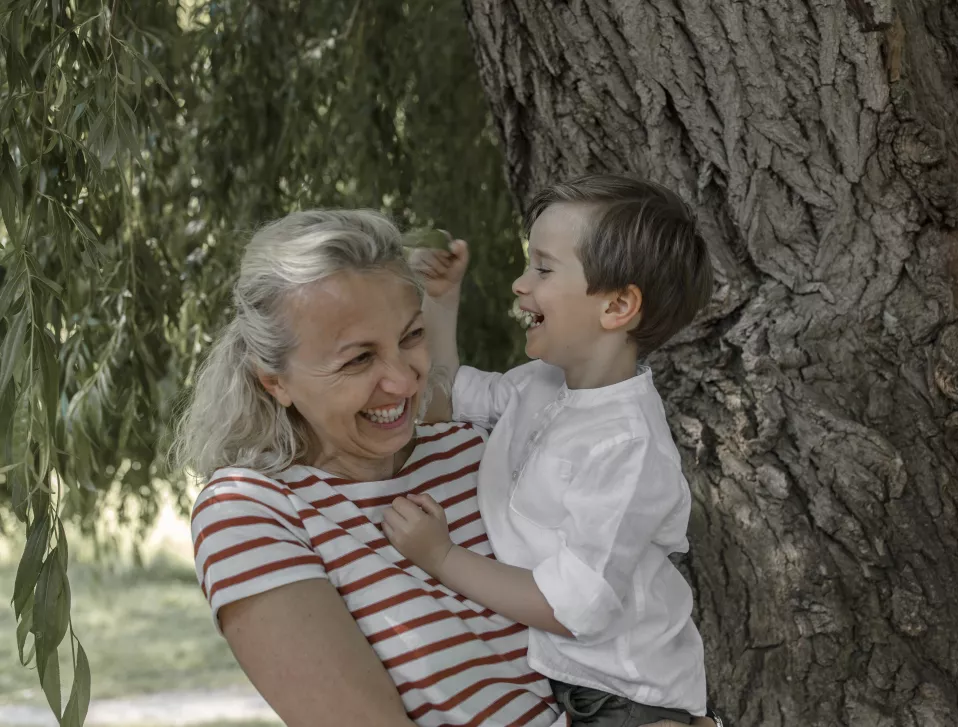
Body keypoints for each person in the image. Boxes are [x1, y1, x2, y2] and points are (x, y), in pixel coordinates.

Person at [175, 208, 712, 727]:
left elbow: (597, 624)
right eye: (358, 359)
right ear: (276, 381)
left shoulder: (475, 451)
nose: (405, 382)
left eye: (411, 337)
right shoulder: (252, 511)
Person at [383, 175, 714, 726]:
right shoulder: (539, 384)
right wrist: (440, 303)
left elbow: (574, 607)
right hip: (564, 680)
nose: (519, 284)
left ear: (617, 306)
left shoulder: (626, 446)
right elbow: (440, 399)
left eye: (542, 267)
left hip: (626, 698)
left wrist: (441, 558)